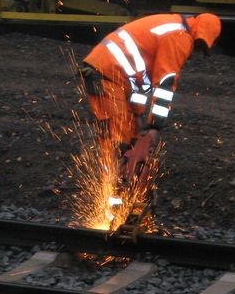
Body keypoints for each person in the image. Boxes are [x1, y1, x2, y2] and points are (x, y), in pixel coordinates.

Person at [79, 13, 222, 179]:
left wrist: (138, 114)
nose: (197, 51)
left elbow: (140, 83)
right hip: (107, 72)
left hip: (108, 72)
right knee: (119, 140)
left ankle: (118, 190)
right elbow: (165, 85)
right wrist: (155, 127)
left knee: (129, 137)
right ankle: (113, 193)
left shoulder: (173, 27)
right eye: (200, 46)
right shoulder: (180, 36)